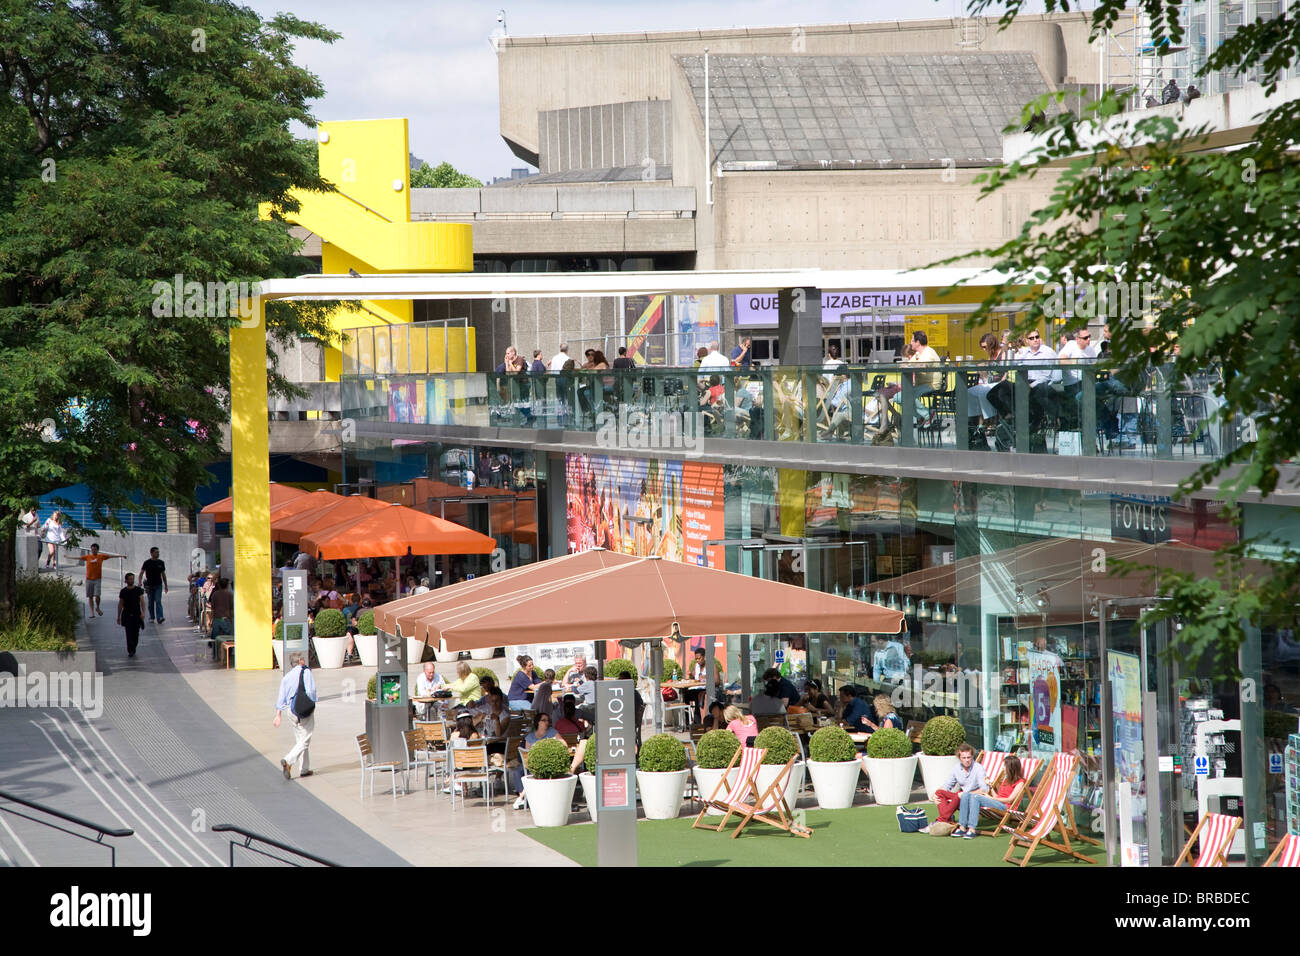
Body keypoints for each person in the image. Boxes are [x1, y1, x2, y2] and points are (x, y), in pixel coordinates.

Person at [955, 754, 1025, 839]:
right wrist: (990, 786)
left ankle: (972, 829)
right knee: (966, 795)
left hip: (1006, 807)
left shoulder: (1020, 782)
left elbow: (1010, 800)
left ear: (1011, 768)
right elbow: (998, 796)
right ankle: (962, 827)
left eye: (1004, 766)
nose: (1003, 768)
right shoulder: (1006, 780)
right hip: (997, 803)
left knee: (975, 797)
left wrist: (990, 798)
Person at [274, 650, 317, 780]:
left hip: (291, 710)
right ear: (300, 661)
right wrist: (312, 704)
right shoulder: (306, 672)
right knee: (305, 739)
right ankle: (288, 760)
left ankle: (304, 769)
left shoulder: (286, 677)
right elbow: (311, 691)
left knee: (300, 739)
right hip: (304, 709)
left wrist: (278, 715)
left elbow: (281, 697)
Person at [934, 743, 986, 830]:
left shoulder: (978, 768)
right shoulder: (956, 768)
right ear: (959, 758)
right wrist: (934, 796)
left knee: (959, 794)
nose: (967, 760)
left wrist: (965, 794)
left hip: (974, 798)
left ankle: (942, 820)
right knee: (939, 792)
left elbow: (984, 790)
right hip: (961, 798)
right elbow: (947, 786)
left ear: (972, 756)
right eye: (964, 758)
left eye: (968, 757)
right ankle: (946, 819)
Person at [906, 331, 942, 424]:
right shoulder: (918, 354)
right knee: (897, 397)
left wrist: (910, 366)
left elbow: (924, 365)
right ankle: (922, 416)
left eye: (912, 340)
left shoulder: (929, 352)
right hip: (920, 385)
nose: (910, 343)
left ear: (918, 342)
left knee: (906, 395)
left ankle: (926, 415)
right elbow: (909, 365)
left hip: (931, 385)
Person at [77, 543, 117, 618]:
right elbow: (78, 558)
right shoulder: (88, 557)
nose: (93, 550)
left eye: (95, 549)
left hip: (97, 579)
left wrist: (121, 556)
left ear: (97, 550)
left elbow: (111, 556)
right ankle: (92, 613)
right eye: (92, 549)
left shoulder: (101, 556)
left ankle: (97, 607)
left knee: (97, 595)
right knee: (90, 596)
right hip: (89, 579)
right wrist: (68, 557)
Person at [116, 572, 146, 658]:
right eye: (129, 579)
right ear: (126, 580)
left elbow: (142, 602)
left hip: (137, 614)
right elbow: (120, 604)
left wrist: (143, 612)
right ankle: (130, 650)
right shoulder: (123, 591)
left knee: (136, 633)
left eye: (132, 579)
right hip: (127, 614)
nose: (131, 580)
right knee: (128, 633)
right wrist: (118, 616)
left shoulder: (138, 590)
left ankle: (134, 647)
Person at [139, 546, 168, 624]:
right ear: (151, 553)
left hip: (158, 585)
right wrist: (139, 582)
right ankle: (152, 617)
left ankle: (160, 617)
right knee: (151, 602)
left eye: (158, 552)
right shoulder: (147, 562)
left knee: (158, 601)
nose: (157, 554)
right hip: (149, 586)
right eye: (156, 552)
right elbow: (141, 572)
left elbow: (163, 574)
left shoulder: (161, 562)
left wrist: (166, 585)